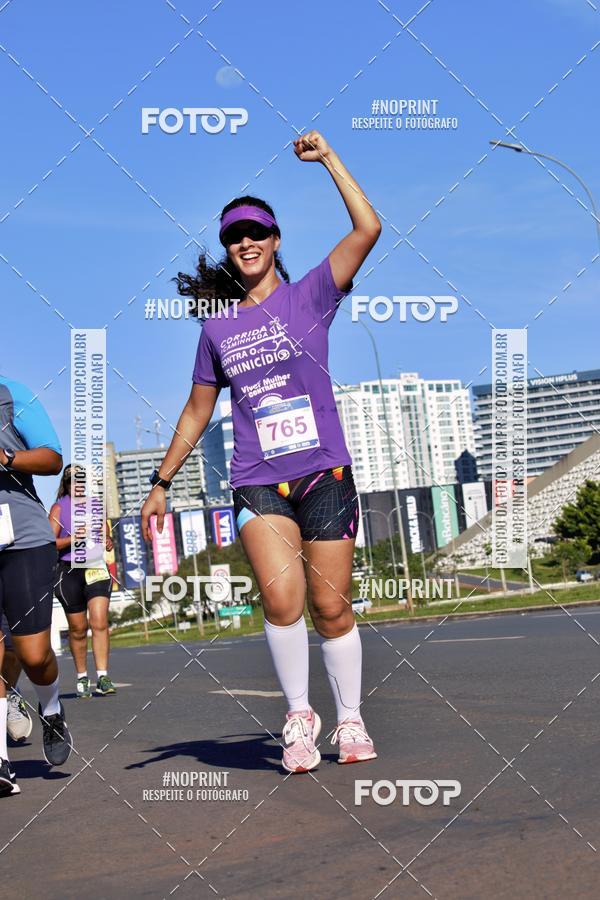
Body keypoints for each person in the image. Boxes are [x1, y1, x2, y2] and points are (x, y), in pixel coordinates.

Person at [142, 131, 382, 773]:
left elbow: (368, 227)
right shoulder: (216, 328)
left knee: (331, 605)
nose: (244, 242)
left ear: (275, 240)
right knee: (282, 602)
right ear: (226, 249)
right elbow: (198, 411)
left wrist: (329, 160)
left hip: (324, 473)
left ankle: (350, 717)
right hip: (256, 481)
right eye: (233, 236)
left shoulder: (311, 295)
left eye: (255, 231)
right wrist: (162, 480)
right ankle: (300, 717)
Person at [0, 376, 73, 796]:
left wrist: (7, 457)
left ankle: (51, 707)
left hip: (24, 539)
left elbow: (51, 458)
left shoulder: (11, 394)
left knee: (32, 654)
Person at [49, 465, 116, 698]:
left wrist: (108, 540)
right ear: (66, 484)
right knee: (78, 629)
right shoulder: (59, 508)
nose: (77, 485)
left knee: (99, 621)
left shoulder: (95, 506)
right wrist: (72, 538)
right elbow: (50, 543)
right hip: (69, 571)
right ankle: (82, 677)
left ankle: (103, 677)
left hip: (95, 566)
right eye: (72, 481)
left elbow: (104, 535)